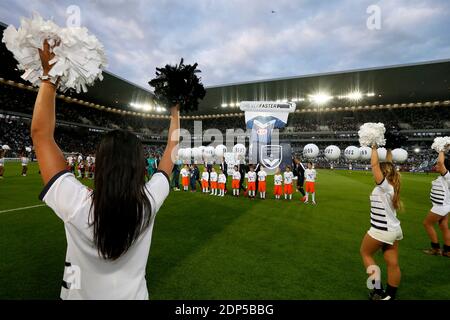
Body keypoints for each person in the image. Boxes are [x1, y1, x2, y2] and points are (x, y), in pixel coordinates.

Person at [31, 40, 179, 299]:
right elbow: (171, 149)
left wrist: (49, 77)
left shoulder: (77, 203)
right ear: (140, 167)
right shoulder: (147, 204)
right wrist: (175, 110)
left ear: (99, 165)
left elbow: (41, 135)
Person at [360, 146, 403, 300]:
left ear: (383, 175)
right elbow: (388, 165)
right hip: (394, 230)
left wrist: (374, 148)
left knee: (366, 253)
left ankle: (377, 290)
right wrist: (389, 150)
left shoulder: (384, 187)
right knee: (392, 262)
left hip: (381, 230)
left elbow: (375, 165)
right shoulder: (392, 186)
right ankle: (390, 295)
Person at [422, 151, 450, 257]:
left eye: (438, 164)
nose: (436, 165)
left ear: (445, 167)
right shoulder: (445, 177)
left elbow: (441, 162)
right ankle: (447, 251)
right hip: (445, 206)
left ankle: (436, 249)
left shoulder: (448, 176)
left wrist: (441, 149)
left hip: (441, 207)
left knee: (427, 224)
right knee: (444, 226)